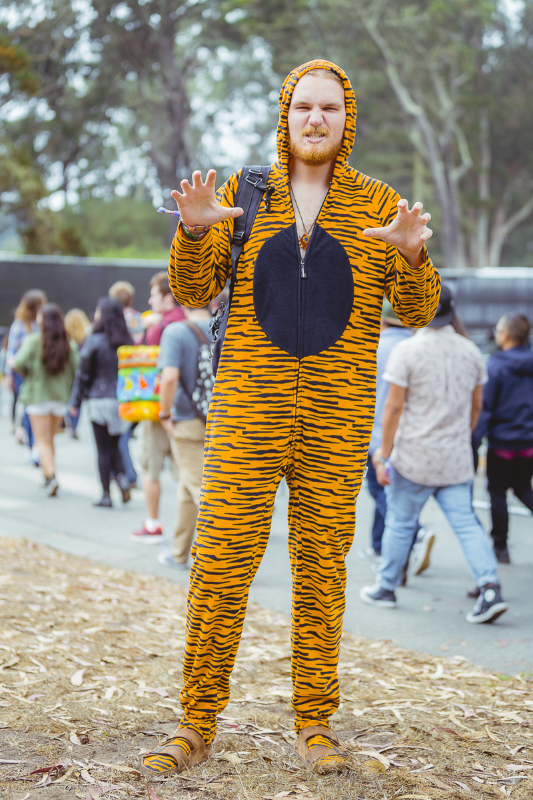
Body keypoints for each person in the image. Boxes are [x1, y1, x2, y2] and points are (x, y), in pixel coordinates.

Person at [138, 59, 439, 778]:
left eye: (329, 109)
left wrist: (412, 255)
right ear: (285, 113)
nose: (315, 119)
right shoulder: (246, 195)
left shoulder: (376, 204)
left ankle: (313, 720)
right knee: (219, 566)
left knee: (320, 572)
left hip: (336, 421)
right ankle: (195, 720)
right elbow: (193, 290)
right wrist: (190, 231)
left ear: (347, 119)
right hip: (246, 413)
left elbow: (421, 311)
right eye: (303, 106)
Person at [361, 285, 507, 625]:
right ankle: (489, 588)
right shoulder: (470, 350)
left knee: (400, 523)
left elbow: (394, 408)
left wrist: (383, 454)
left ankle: (386, 587)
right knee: (467, 524)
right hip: (455, 458)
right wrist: (462, 435)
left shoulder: (408, 350)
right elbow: (477, 406)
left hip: (413, 455)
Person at [360, 300, 434, 578]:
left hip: (380, 432)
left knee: (380, 490)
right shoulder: (419, 348)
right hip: (414, 432)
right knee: (393, 489)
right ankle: (381, 547)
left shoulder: (376, 347)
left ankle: (415, 533)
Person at [155, 304, 212, 569]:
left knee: (203, 493)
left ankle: (227, 564)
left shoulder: (175, 332)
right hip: (219, 418)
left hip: (187, 421)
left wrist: (165, 414)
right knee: (189, 489)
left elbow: (169, 378)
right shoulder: (222, 328)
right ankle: (179, 552)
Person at [474, 313, 533, 564]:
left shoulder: (496, 366)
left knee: (497, 494)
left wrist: (474, 443)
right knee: (522, 489)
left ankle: (501, 547)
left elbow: (485, 408)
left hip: (502, 444)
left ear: (506, 335)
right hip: (528, 442)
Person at [130, 272, 183, 543]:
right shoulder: (191, 322)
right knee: (190, 473)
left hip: (158, 409)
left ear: (167, 296)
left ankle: (153, 524)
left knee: (151, 470)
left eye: (154, 295)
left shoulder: (158, 328)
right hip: (189, 410)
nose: (150, 300)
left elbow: (144, 367)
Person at [69, 297, 133, 507]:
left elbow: (83, 375)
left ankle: (106, 494)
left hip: (98, 401)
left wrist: (75, 402)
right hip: (122, 401)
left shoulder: (94, 340)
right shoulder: (127, 340)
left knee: (103, 449)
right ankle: (122, 480)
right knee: (115, 445)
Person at [13, 304, 78, 496]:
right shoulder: (69, 344)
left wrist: (27, 374)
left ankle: (51, 476)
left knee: (41, 441)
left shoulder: (33, 341)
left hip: (37, 397)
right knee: (49, 440)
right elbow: (76, 368)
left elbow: (18, 363)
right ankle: (47, 475)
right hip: (59, 398)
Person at [4, 289, 47, 461]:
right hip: (21, 373)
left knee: (34, 407)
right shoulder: (20, 325)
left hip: (37, 374)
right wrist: (8, 374)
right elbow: (11, 353)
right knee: (26, 405)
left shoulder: (41, 324)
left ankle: (33, 442)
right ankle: (28, 439)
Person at [64, 308, 91, 438]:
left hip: (67, 373)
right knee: (77, 398)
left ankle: (68, 421)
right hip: (80, 372)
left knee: (68, 396)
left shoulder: (65, 338)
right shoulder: (86, 338)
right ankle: (74, 425)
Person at [144, 271, 185, 345]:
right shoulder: (190, 319)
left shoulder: (157, 330)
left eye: (154, 296)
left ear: (168, 298)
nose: (150, 301)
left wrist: (146, 330)